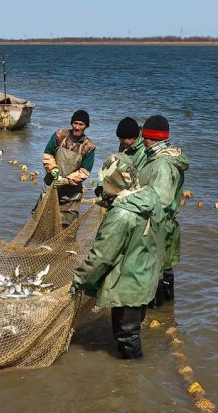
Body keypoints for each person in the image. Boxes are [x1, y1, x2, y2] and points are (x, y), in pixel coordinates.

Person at [71, 153, 164, 359]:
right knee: (133, 328)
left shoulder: (121, 214)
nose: (104, 185)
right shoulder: (150, 198)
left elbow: (101, 257)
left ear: (115, 180)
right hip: (146, 278)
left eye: (107, 180)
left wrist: (79, 281)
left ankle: (129, 379)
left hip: (128, 286)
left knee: (127, 336)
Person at [138, 115, 189, 307]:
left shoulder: (162, 164)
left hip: (157, 224)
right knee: (164, 266)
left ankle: (155, 311)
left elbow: (162, 200)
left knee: (154, 270)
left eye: (144, 137)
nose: (142, 141)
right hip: (167, 223)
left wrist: (130, 198)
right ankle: (166, 313)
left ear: (150, 138)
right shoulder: (169, 157)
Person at [41, 110, 96, 228]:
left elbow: (84, 171)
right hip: (51, 185)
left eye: (81, 124)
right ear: (71, 123)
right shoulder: (59, 135)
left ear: (86, 126)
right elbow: (47, 154)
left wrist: (66, 180)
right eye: (75, 123)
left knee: (67, 225)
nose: (77, 127)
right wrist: (53, 169)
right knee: (44, 221)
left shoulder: (89, 146)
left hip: (71, 193)